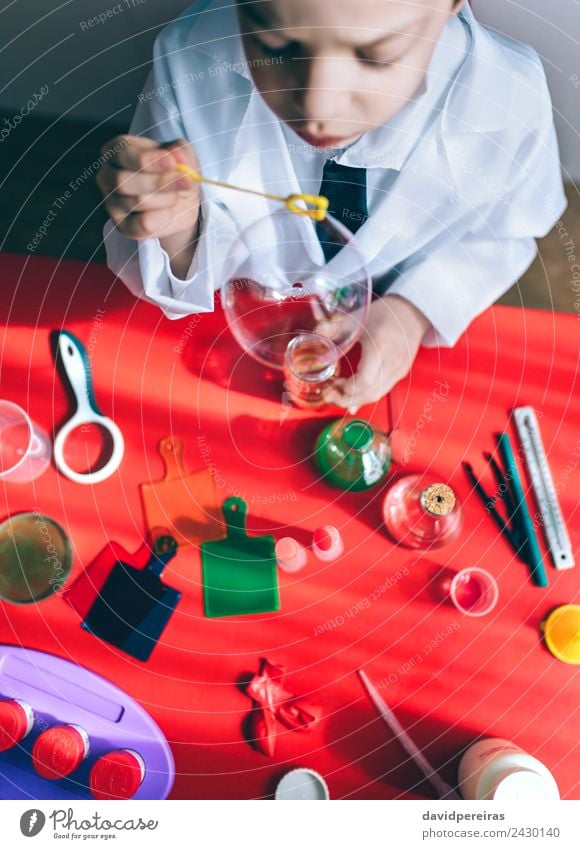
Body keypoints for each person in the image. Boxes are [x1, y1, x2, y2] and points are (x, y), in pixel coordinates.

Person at [97, 0, 566, 411]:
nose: (318, 105)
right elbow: (173, 258)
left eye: (376, 55)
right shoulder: (191, 58)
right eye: (276, 43)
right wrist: (176, 227)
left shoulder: (509, 96)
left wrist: (413, 310)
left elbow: (506, 234)